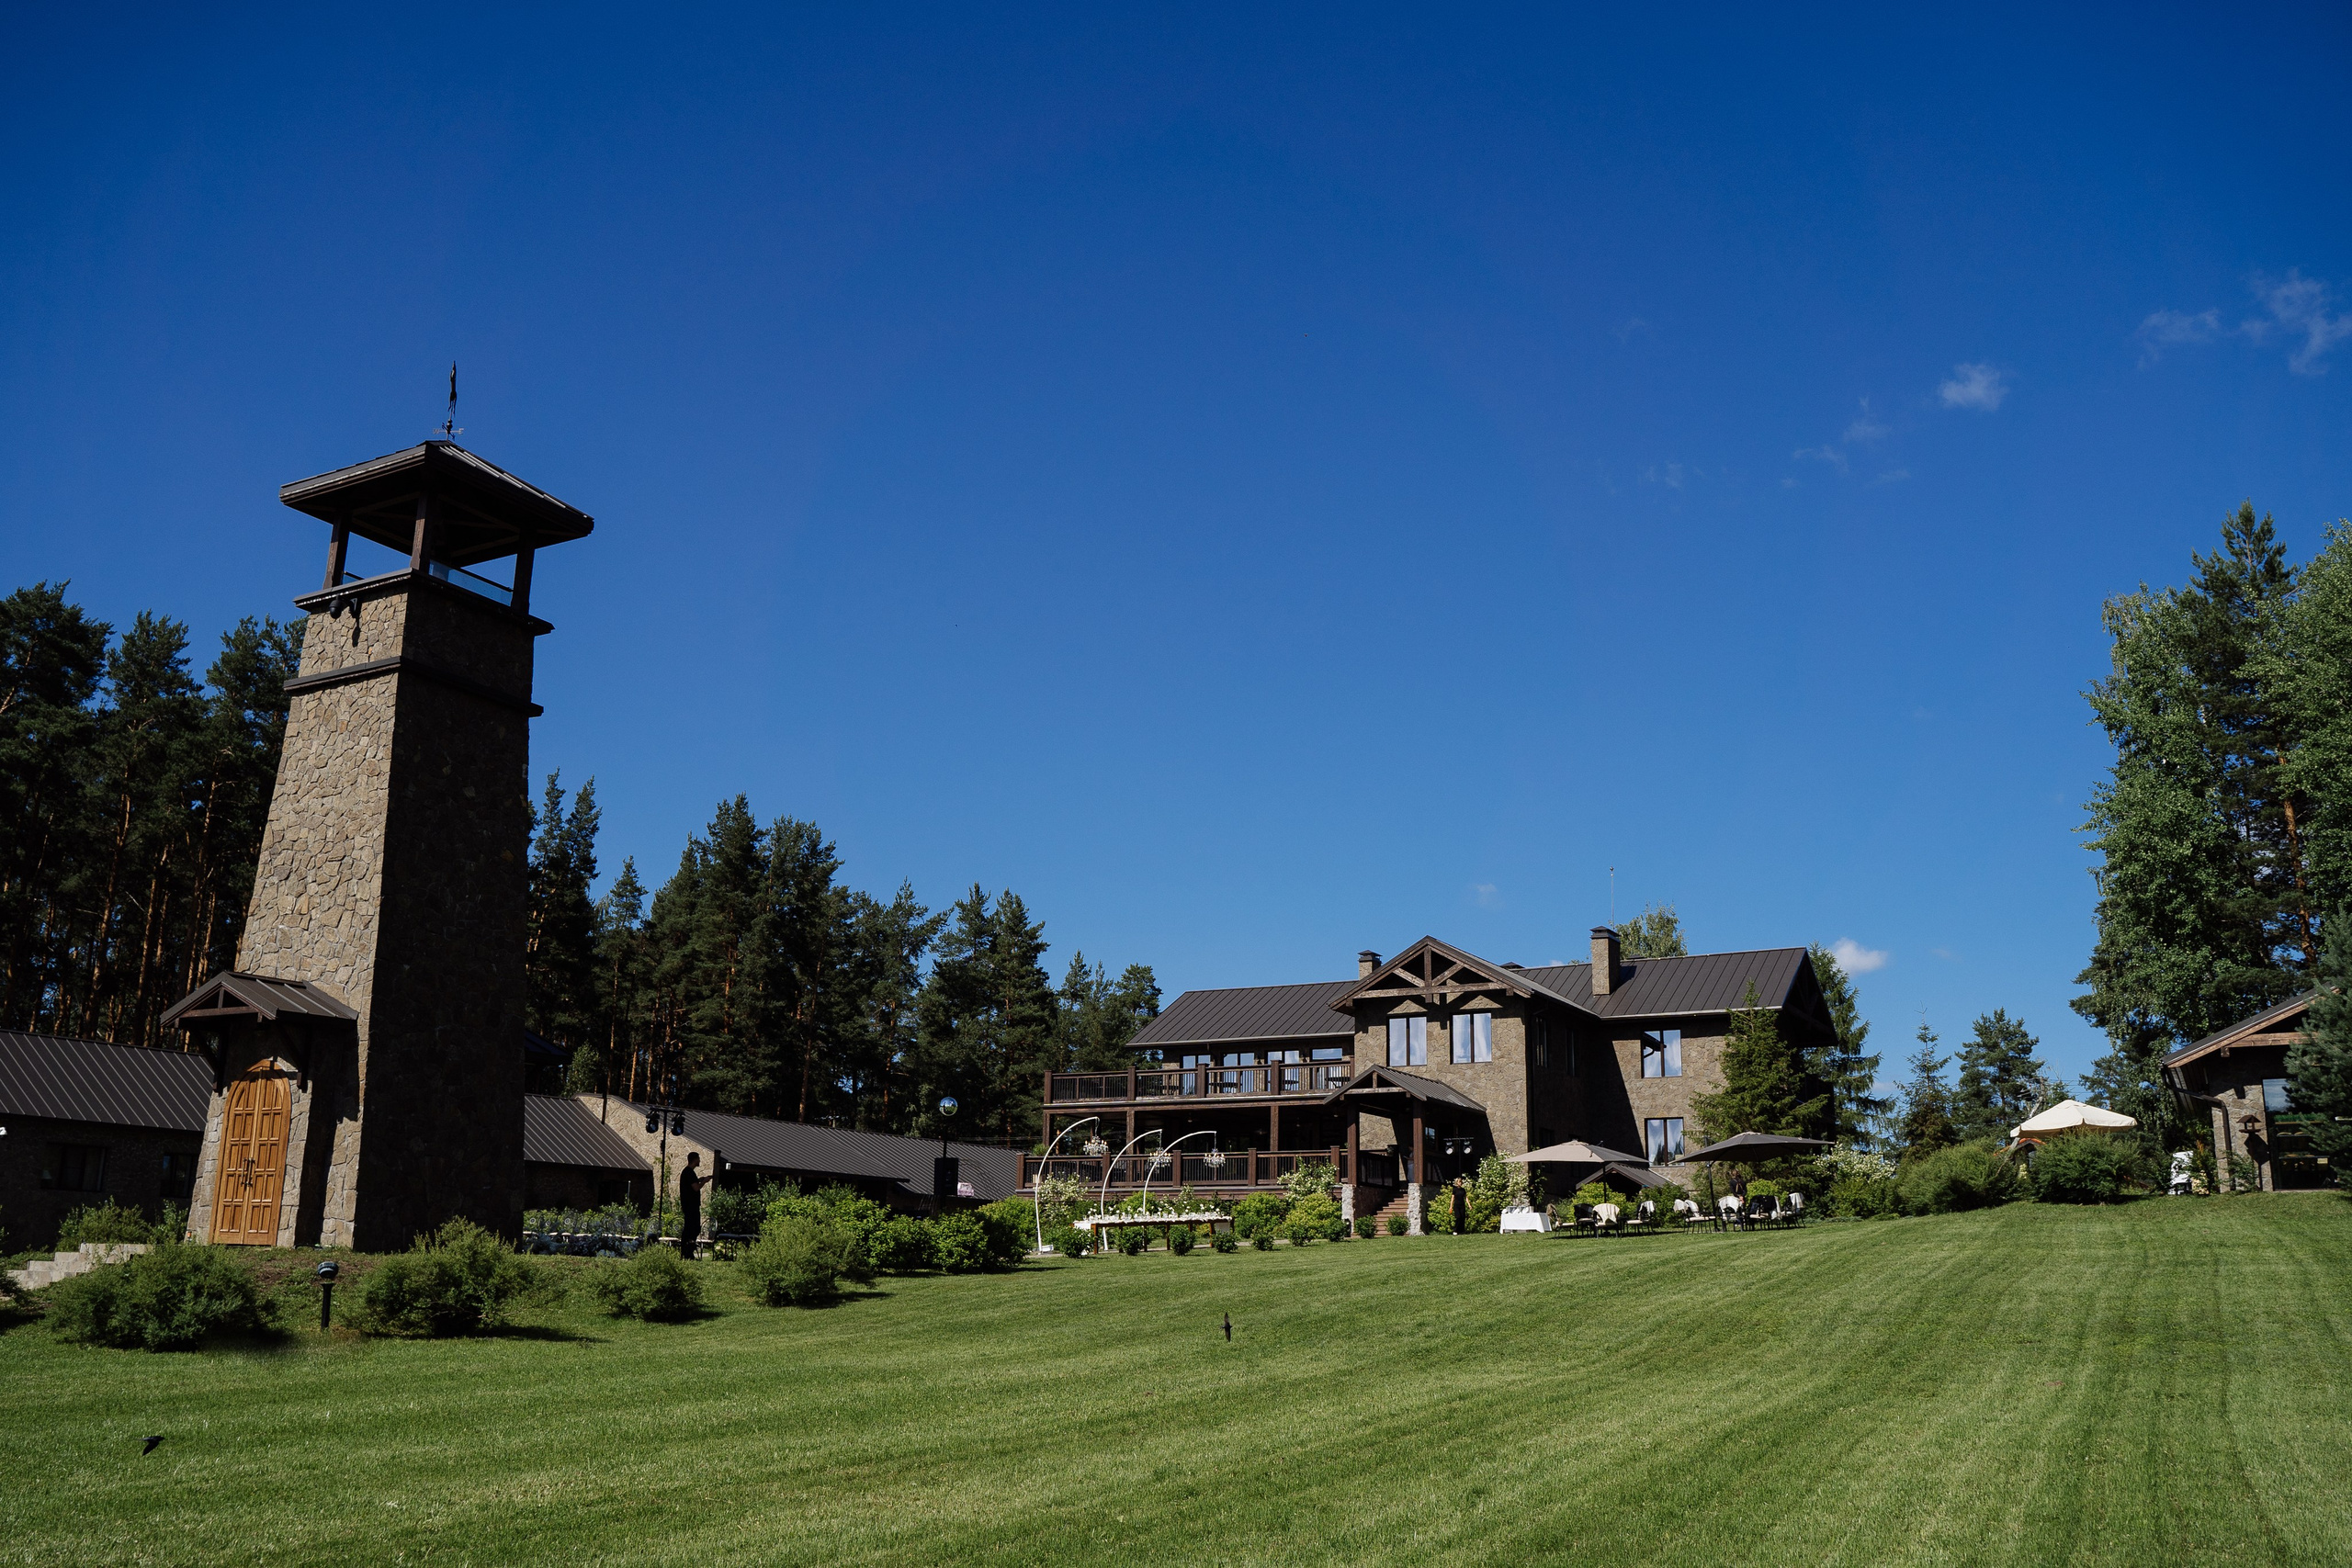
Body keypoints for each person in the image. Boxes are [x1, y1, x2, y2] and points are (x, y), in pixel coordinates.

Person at [676, 1152, 710, 1259]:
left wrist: (699, 1180)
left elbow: (692, 1184)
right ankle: (687, 1252)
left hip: (689, 1205)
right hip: (691, 1206)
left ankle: (687, 1252)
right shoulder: (689, 1172)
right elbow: (695, 1188)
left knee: (691, 1228)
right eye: (698, 1159)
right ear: (695, 1160)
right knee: (692, 1228)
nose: (699, 1161)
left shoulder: (687, 1173)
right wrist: (704, 1182)